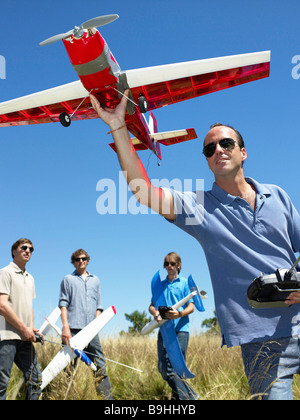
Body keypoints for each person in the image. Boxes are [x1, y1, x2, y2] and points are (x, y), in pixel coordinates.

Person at [90, 92, 300, 400]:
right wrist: (118, 125)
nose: (218, 149)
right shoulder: (199, 207)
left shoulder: (277, 195)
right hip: (261, 344)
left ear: (243, 152)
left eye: (226, 143)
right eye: (209, 148)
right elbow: (143, 192)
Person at [58, 248, 113, 400]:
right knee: (68, 368)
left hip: (91, 331)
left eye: (83, 259)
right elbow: (63, 305)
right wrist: (65, 328)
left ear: (87, 261)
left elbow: (99, 305)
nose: (80, 261)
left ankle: (107, 400)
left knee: (99, 365)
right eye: (77, 259)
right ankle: (65, 396)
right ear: (73, 262)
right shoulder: (67, 279)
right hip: (73, 330)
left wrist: (95, 325)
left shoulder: (96, 280)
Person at [149, 252, 197, 400]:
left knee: (176, 368)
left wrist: (180, 314)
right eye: (166, 264)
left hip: (181, 330)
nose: (169, 266)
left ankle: (186, 399)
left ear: (178, 265)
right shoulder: (160, 286)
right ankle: (191, 395)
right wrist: (155, 313)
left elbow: (191, 306)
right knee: (164, 369)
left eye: (172, 264)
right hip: (164, 330)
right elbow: (151, 306)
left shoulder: (184, 283)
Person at [0, 238, 42, 400]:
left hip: (25, 338)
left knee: (35, 379)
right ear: (14, 251)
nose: (28, 251)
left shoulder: (30, 278)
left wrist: (30, 327)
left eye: (31, 249)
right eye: (24, 247)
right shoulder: (5, 273)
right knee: (2, 383)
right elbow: (2, 305)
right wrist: (23, 329)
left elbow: (29, 306)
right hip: (6, 336)